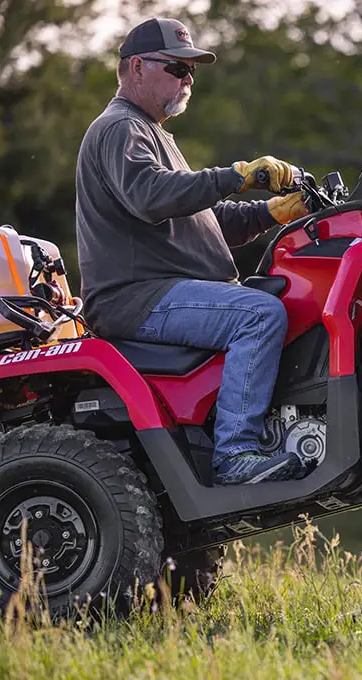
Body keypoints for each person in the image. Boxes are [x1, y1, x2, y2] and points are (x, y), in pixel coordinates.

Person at [75, 18, 310, 485]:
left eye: (192, 72)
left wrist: (273, 212)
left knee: (275, 296)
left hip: (163, 291)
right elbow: (151, 196)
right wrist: (237, 174)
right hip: (137, 298)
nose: (187, 80)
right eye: (177, 67)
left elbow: (202, 220)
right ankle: (236, 455)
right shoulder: (120, 128)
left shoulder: (152, 132)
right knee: (258, 315)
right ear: (137, 67)